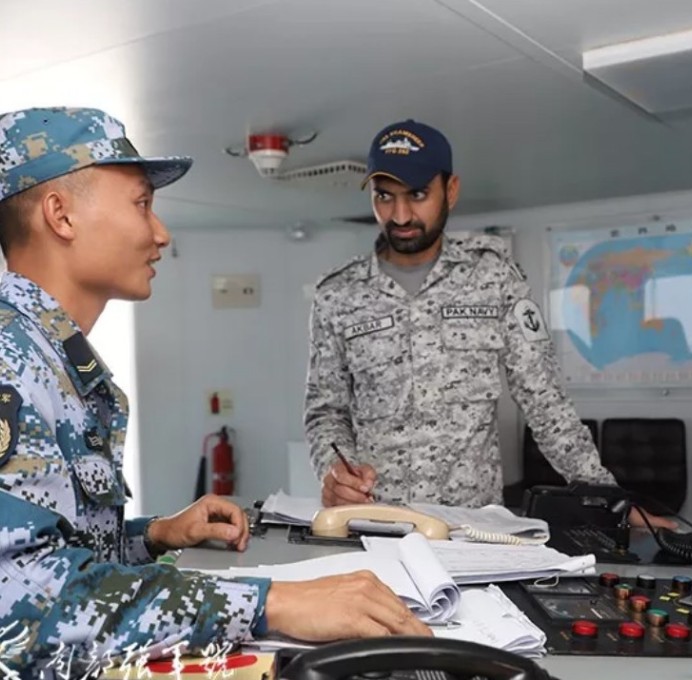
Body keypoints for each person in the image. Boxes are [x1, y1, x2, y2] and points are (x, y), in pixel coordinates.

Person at [0, 107, 429, 676]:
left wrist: (155, 535)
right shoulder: (11, 361)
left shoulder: (45, 356)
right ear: (61, 215)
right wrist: (271, 603)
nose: (161, 233)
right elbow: (25, 609)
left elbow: (61, 556)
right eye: (142, 204)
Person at [305, 120, 672, 528]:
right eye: (384, 197)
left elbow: (546, 403)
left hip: (471, 530)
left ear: (451, 190)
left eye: (418, 194)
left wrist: (611, 502)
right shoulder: (337, 294)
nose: (401, 214)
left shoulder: (495, 277)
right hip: (375, 523)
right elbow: (326, 412)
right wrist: (336, 472)